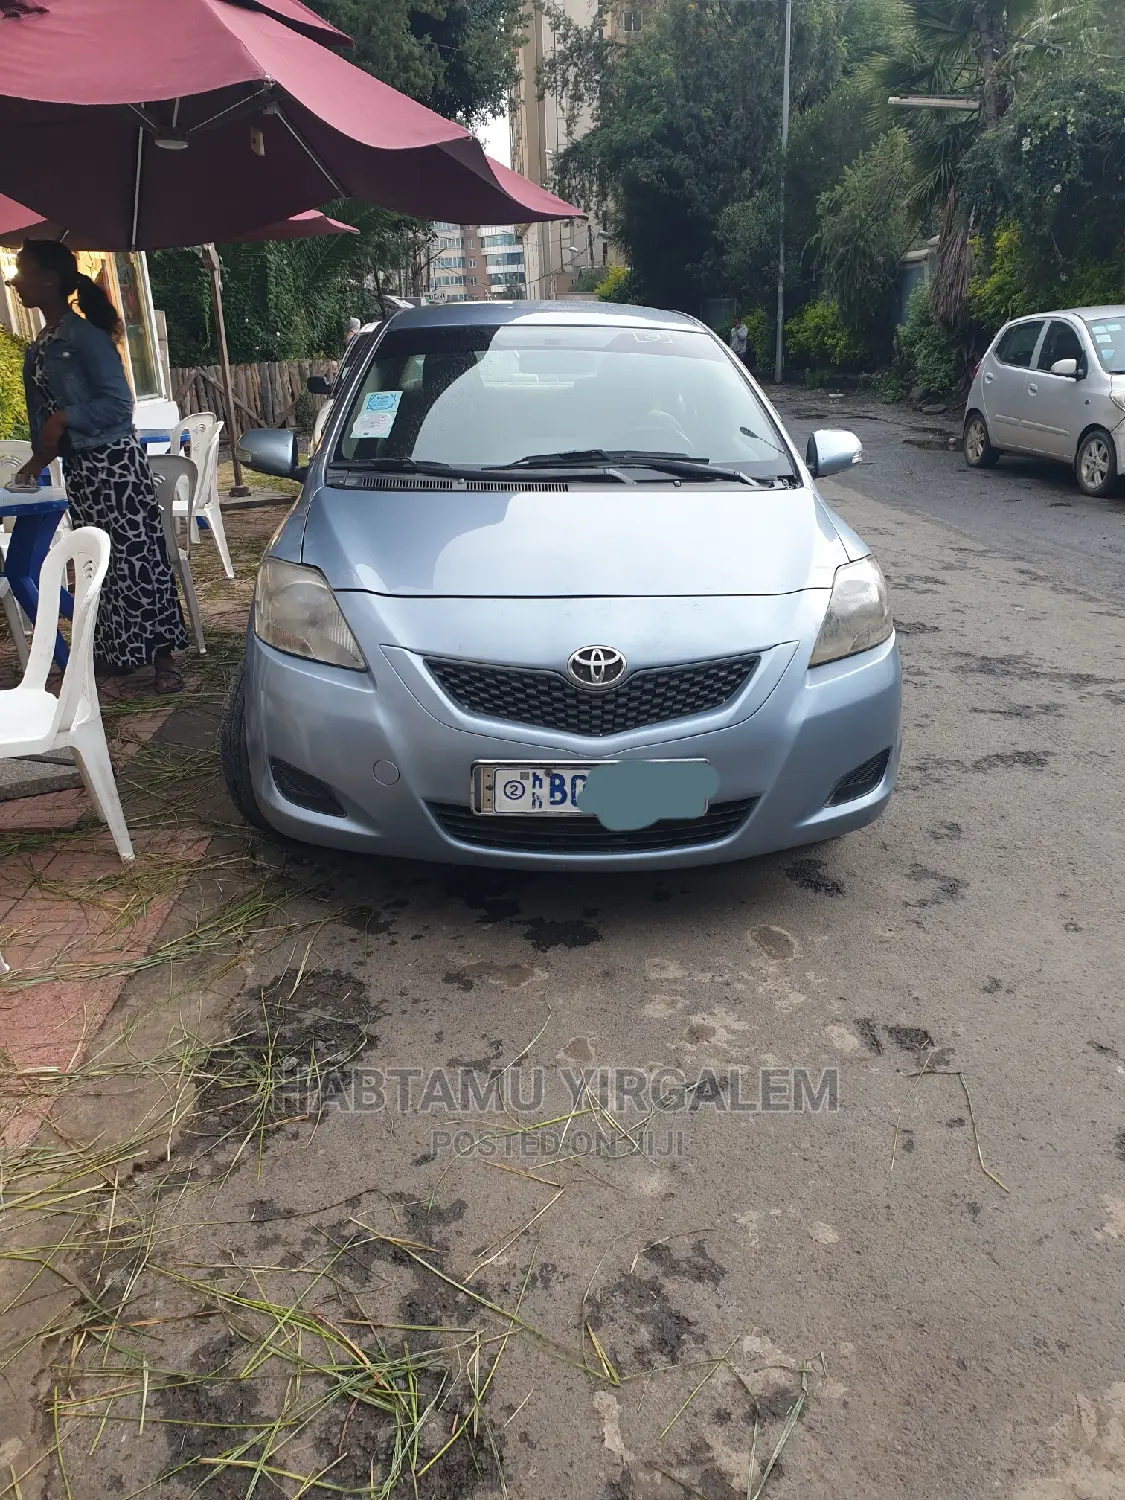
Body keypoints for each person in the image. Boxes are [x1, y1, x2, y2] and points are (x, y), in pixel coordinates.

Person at [10, 240, 187, 694]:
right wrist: (36, 460)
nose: (14, 280)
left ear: (48, 280)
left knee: (139, 558)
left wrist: (64, 419)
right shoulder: (42, 345)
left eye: (22, 271)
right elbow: (42, 420)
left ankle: (163, 658)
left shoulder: (83, 338)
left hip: (115, 465)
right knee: (99, 562)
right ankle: (121, 653)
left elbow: (118, 405)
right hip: (82, 469)